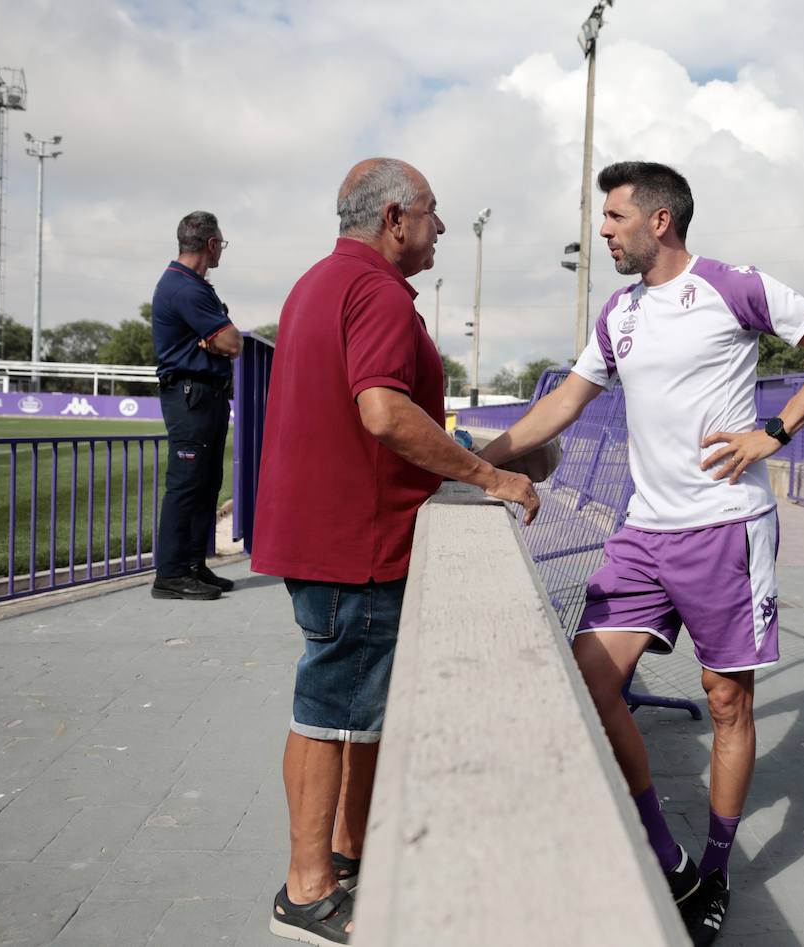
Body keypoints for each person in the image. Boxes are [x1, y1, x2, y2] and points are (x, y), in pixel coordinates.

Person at [478, 161, 804, 945]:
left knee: (727, 701)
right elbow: (564, 400)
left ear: (660, 220)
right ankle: (671, 860)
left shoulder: (734, 286)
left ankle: (718, 871)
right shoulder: (618, 313)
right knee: (587, 687)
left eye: (615, 216)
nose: (604, 229)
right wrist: (479, 465)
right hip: (642, 533)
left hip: (726, 528)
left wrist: (776, 430)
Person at [250, 158, 539, 946]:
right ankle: (306, 892)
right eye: (433, 213)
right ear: (394, 220)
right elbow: (382, 411)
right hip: (355, 538)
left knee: (354, 712)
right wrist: (491, 477)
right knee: (329, 708)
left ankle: (346, 855)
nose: (441, 227)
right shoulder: (376, 289)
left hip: (325, 531)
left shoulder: (320, 280)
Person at [150, 211, 242, 601]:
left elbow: (224, 339)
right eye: (221, 242)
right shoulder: (185, 288)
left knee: (205, 485)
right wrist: (216, 335)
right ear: (210, 244)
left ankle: (192, 565)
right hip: (190, 394)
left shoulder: (193, 285)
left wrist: (215, 335)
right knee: (186, 486)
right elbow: (233, 343)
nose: (222, 248)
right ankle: (170, 575)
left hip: (204, 393)